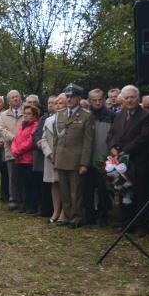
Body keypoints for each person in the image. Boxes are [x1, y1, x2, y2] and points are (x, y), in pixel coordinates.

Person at [107, 85, 149, 236]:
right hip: (121, 164)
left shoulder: (146, 116)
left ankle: (141, 225)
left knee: (140, 194)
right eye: (126, 98)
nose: (129, 100)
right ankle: (126, 223)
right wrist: (113, 147)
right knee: (124, 192)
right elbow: (111, 135)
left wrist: (124, 151)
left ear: (138, 98)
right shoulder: (119, 115)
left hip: (138, 162)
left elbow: (144, 138)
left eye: (132, 97)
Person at [53, 84, 94, 229]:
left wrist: (84, 163)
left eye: (72, 97)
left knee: (76, 191)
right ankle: (67, 215)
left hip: (76, 160)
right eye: (67, 96)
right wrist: (55, 159)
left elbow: (88, 142)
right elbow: (56, 139)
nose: (69, 99)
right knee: (64, 190)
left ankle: (76, 217)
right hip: (61, 158)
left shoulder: (86, 116)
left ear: (78, 98)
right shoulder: (60, 114)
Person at [84, 88, 115, 226]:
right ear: (89, 101)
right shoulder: (85, 116)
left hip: (104, 159)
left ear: (103, 99)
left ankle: (104, 217)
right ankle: (89, 217)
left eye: (99, 100)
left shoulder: (112, 116)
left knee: (103, 191)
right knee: (87, 190)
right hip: (87, 160)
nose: (97, 102)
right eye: (94, 100)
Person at [38, 95, 65, 223]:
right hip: (50, 157)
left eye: (60, 103)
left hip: (65, 157)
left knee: (65, 184)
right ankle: (56, 211)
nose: (58, 105)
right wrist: (49, 154)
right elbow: (43, 139)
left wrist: (59, 155)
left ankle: (65, 212)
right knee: (54, 184)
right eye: (56, 103)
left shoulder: (70, 119)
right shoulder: (48, 120)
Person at [11, 104, 40, 215]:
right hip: (19, 159)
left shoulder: (35, 125)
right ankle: (24, 204)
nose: (26, 116)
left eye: (29, 114)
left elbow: (30, 141)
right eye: (25, 114)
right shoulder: (22, 125)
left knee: (30, 184)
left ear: (34, 115)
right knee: (21, 183)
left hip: (28, 159)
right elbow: (15, 139)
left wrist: (18, 151)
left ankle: (32, 206)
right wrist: (14, 150)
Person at [0, 89, 23, 211]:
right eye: (12, 97)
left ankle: (24, 199)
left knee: (25, 175)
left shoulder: (27, 112)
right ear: (8, 101)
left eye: (17, 96)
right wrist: (15, 138)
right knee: (12, 176)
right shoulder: (3, 115)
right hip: (11, 149)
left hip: (25, 149)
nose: (15, 99)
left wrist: (23, 140)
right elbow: (2, 130)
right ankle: (13, 199)